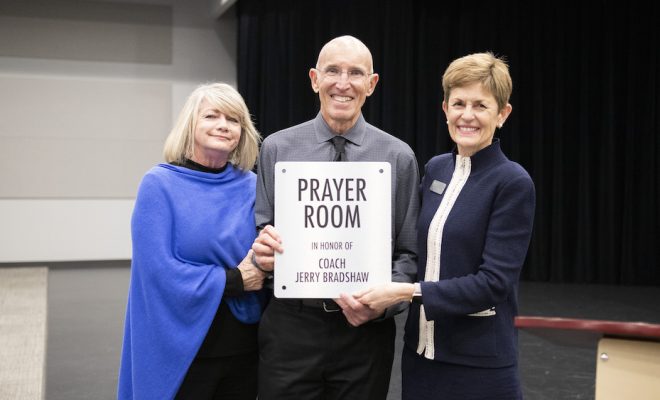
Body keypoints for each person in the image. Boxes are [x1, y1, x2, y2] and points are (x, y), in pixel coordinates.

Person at [354, 52, 536, 399]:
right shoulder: (436, 169)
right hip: (420, 358)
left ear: (503, 114)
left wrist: (407, 291)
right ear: (445, 109)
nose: (467, 115)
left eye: (481, 106)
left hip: (478, 365)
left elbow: (493, 283)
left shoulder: (512, 182)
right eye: (459, 103)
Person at [251, 35, 420, 400]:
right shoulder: (277, 148)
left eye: (356, 73)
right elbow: (262, 228)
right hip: (291, 328)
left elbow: (409, 254)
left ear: (371, 85)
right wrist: (262, 250)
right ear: (315, 79)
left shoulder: (398, 157)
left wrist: (379, 308)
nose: (343, 83)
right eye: (332, 71)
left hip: (365, 335)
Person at [117, 82, 266, 400]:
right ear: (191, 124)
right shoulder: (159, 185)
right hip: (184, 349)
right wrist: (235, 279)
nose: (223, 126)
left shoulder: (254, 186)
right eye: (212, 116)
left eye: (233, 119)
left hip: (245, 348)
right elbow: (158, 271)